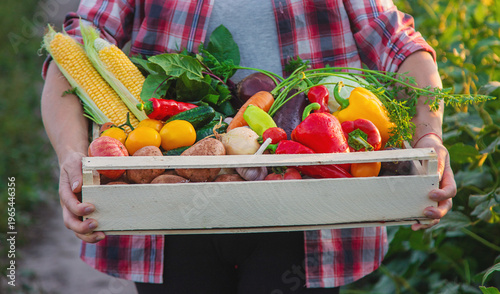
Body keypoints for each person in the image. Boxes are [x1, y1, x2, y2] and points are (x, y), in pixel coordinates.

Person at [41, 0, 457, 293]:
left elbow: (400, 44)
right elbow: (74, 46)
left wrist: (429, 137)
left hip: (310, 203)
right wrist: (72, 156)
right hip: (170, 208)